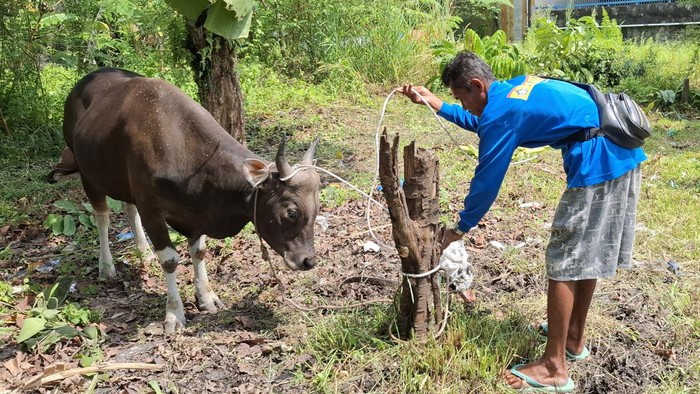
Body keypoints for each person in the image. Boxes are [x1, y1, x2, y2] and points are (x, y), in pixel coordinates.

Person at [399, 50, 645, 392]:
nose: (463, 105)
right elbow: (487, 121)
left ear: (475, 85)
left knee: (562, 261)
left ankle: (554, 367)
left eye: (461, 98)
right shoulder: (511, 91)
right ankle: (572, 339)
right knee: (582, 256)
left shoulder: (503, 110)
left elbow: (487, 179)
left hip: (599, 161)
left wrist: (460, 228)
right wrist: (438, 104)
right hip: (617, 152)